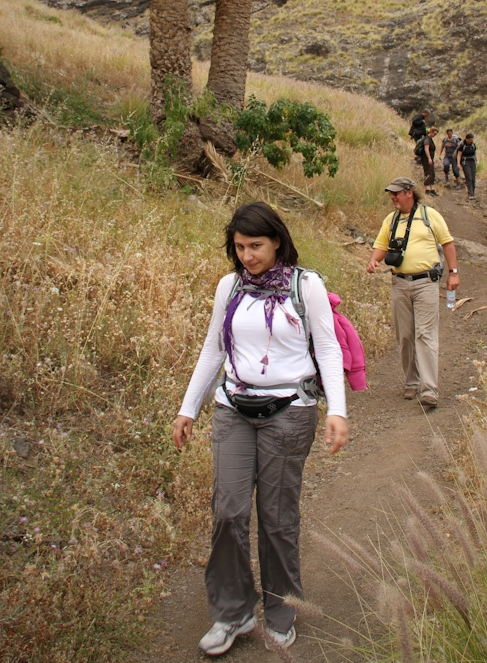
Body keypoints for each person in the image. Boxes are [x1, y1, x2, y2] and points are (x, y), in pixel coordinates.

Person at [173, 202, 348, 657]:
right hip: (233, 407)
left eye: (256, 246)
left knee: (277, 518)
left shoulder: (305, 285)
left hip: (290, 411)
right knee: (228, 512)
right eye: (239, 247)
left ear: (277, 242)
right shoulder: (229, 286)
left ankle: (282, 610)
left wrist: (338, 410)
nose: (247, 256)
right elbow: (214, 348)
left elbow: (328, 347)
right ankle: (233, 612)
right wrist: (189, 407)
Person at [366, 177, 459, 408]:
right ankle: (412, 381)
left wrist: (453, 273)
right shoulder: (391, 220)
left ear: (409, 192)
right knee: (405, 335)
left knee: (425, 334)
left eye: (396, 193)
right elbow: (381, 245)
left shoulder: (429, 215)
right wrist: (373, 260)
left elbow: (448, 244)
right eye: (391, 194)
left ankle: (429, 390)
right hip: (399, 283)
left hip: (426, 283)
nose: (392, 197)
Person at [418, 126, 439, 196]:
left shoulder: (430, 139)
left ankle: (432, 189)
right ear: (431, 132)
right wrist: (429, 158)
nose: (435, 135)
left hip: (430, 158)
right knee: (428, 173)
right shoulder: (427, 139)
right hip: (426, 159)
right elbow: (426, 149)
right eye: (434, 133)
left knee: (432, 173)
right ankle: (427, 189)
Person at [457, 132, 478, 198]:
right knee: (469, 177)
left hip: (472, 162)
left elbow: (476, 153)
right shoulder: (462, 145)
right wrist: (458, 164)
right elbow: (459, 155)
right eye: (470, 140)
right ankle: (470, 193)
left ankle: (473, 192)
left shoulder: (473, 145)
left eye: (472, 140)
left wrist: (477, 161)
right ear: (466, 139)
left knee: (473, 178)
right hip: (465, 162)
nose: (471, 141)